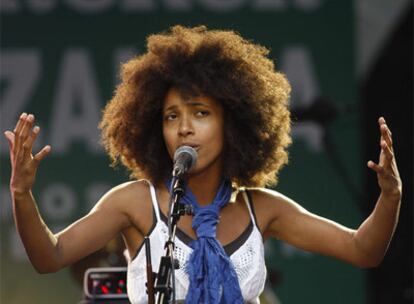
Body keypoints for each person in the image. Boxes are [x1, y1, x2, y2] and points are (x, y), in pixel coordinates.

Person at [4, 25, 402, 304]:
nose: (184, 129)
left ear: (232, 122)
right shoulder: (135, 203)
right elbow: (49, 257)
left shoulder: (261, 208)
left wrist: (390, 198)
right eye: (171, 116)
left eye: (200, 113)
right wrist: (21, 194)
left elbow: (361, 250)